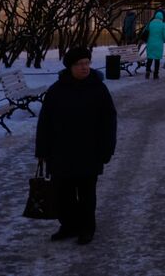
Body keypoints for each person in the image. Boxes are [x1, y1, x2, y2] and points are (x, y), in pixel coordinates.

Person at [36, 47, 117, 245]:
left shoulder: (98, 88)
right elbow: (44, 122)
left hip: (89, 151)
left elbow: (109, 120)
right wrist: (42, 151)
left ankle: (87, 228)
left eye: (87, 63)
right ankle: (69, 225)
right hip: (61, 152)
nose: (84, 67)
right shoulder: (57, 90)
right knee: (64, 194)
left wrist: (107, 148)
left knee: (87, 194)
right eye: (79, 64)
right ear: (70, 67)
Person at [143, 10, 165, 79]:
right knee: (157, 60)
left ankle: (147, 71)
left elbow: (145, 31)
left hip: (150, 43)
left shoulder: (150, 23)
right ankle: (155, 74)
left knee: (150, 58)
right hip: (158, 44)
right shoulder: (163, 24)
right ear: (162, 17)